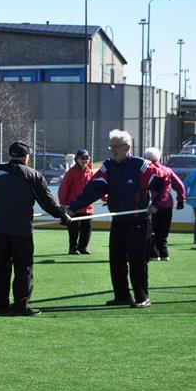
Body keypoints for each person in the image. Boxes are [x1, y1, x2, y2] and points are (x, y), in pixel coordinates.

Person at [0, 141, 70, 316]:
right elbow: (47, 203)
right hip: (22, 229)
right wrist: (62, 215)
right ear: (26, 157)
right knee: (24, 267)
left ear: (11, 155)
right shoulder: (33, 175)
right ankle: (21, 305)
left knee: (1, 268)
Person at [67, 130, 164, 309]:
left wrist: (157, 203)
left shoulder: (142, 166)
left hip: (139, 220)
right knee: (116, 259)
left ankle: (142, 297)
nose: (112, 151)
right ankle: (122, 296)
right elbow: (94, 188)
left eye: (115, 147)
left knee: (137, 260)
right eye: (110, 147)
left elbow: (162, 182)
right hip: (118, 220)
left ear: (127, 147)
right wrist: (73, 208)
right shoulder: (108, 166)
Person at [144, 147, 186, 261]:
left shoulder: (146, 170)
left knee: (152, 230)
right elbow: (179, 185)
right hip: (168, 205)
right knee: (163, 231)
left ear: (146, 158)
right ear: (159, 158)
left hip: (153, 205)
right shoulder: (167, 170)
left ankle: (154, 253)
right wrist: (181, 199)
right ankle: (164, 253)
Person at [58, 149, 94, 255]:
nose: (85, 160)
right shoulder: (71, 173)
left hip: (87, 207)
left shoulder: (91, 172)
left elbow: (97, 188)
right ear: (77, 159)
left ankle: (83, 247)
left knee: (87, 228)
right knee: (74, 228)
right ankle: (73, 248)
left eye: (87, 158)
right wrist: (63, 204)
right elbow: (63, 189)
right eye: (82, 158)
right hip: (73, 206)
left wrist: (106, 199)